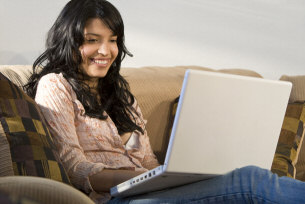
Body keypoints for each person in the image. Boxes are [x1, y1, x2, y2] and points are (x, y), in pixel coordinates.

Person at [25, 0, 305, 203]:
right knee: (252, 181)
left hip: (150, 191)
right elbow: (75, 168)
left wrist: (164, 175)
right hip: (112, 198)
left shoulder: (121, 95)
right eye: (92, 40)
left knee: (242, 179)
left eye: (113, 40)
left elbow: (148, 161)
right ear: (70, 42)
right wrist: (136, 179)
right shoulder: (56, 85)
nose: (106, 50)